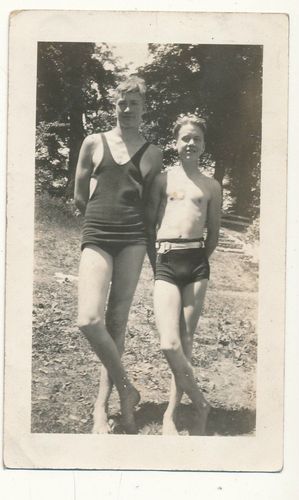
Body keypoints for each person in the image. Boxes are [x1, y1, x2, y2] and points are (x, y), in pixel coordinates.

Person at [74, 76, 162, 434]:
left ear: (144, 108)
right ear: (114, 106)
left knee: (116, 322)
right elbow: (80, 195)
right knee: (88, 320)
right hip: (97, 234)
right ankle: (129, 390)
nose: (127, 110)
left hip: (133, 239)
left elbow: (151, 207)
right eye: (121, 104)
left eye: (134, 104)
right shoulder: (94, 142)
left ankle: (103, 406)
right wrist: (99, 219)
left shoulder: (152, 152)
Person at [145, 114, 222, 435]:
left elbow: (213, 233)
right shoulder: (163, 181)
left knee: (186, 341)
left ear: (204, 145)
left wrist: (198, 262)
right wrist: (157, 263)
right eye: (185, 138)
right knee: (168, 342)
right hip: (166, 260)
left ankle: (171, 415)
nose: (190, 143)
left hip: (196, 264)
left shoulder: (211, 186)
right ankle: (201, 402)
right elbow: (150, 226)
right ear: (175, 143)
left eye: (197, 139)